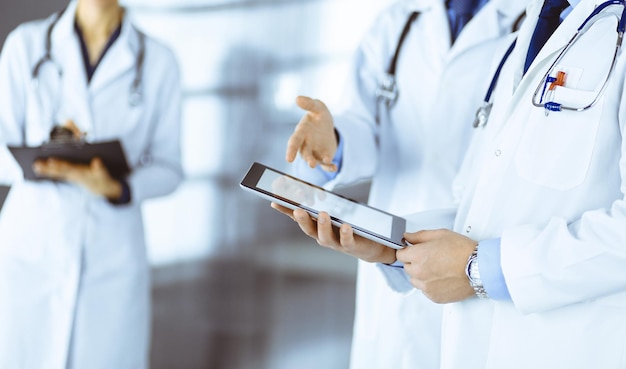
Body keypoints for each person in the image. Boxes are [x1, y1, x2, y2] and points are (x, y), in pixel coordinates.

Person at [287, 0, 626, 368]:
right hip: (445, 278)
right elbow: (491, 196)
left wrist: (478, 267)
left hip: (553, 329)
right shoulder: (537, 23)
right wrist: (394, 246)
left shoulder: (557, 23)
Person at [272, 0, 527, 368]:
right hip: (387, 255)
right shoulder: (398, 20)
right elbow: (365, 124)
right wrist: (336, 141)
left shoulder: (534, 21)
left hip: (473, 258)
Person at [0, 0, 182, 367]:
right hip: (31, 253)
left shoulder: (159, 61)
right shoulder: (26, 45)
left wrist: (117, 187)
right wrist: (54, 154)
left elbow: (170, 169)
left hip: (111, 259)